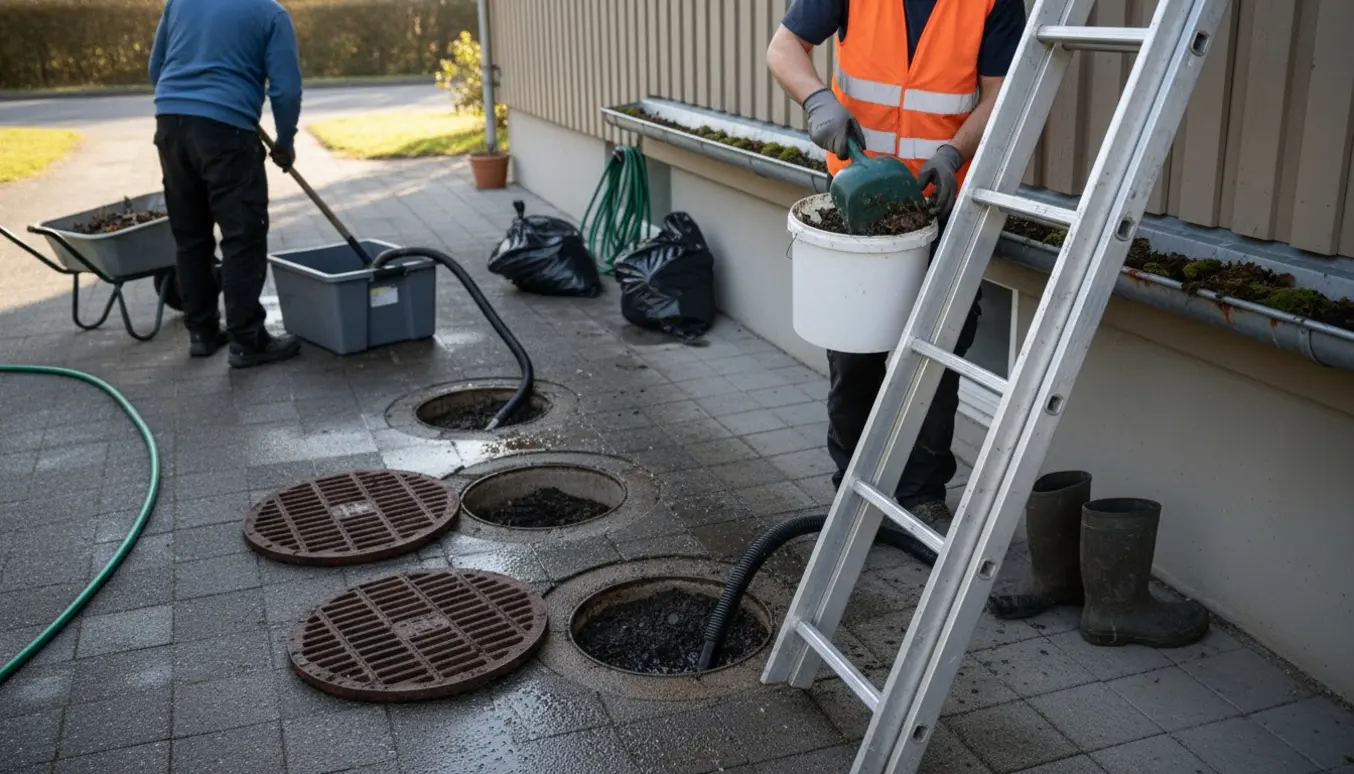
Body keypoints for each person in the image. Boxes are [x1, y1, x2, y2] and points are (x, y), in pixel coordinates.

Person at [768, 0, 1026, 526]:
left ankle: (922, 497)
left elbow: (1002, 93)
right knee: (856, 349)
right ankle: (852, 487)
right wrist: (817, 99)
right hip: (857, 200)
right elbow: (784, 47)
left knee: (938, 349)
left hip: (939, 197)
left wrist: (954, 151)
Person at [149, 0, 303, 368]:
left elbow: (157, 67)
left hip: (170, 125)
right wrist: (285, 141)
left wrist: (188, 103)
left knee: (191, 236)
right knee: (242, 235)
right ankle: (248, 340)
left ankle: (202, 333)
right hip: (226, 131)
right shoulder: (271, 14)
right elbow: (285, 90)